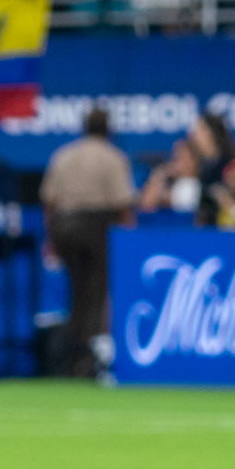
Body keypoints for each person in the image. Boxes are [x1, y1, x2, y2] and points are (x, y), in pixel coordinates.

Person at [41, 104, 136, 379]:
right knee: (96, 291)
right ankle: (93, 357)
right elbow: (123, 205)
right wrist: (130, 239)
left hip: (65, 226)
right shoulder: (113, 158)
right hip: (98, 227)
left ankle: (76, 357)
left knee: (77, 292)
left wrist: (51, 239)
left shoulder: (64, 155)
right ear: (108, 130)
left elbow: (49, 202)